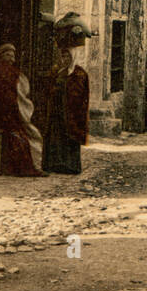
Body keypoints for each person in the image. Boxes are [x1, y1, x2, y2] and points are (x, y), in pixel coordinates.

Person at [42, 13, 92, 175]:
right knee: (55, 137)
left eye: (67, 56)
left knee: (70, 137)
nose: (65, 59)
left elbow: (83, 97)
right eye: (63, 55)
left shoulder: (80, 73)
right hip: (57, 111)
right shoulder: (56, 71)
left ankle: (70, 166)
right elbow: (48, 88)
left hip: (72, 112)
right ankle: (54, 164)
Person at [0, 43, 46, 176]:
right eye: (7, 55)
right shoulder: (2, 71)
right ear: (1, 56)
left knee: (28, 135)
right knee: (21, 138)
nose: (11, 58)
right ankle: (26, 169)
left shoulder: (13, 71)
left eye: (12, 55)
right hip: (6, 112)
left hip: (11, 111)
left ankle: (33, 166)